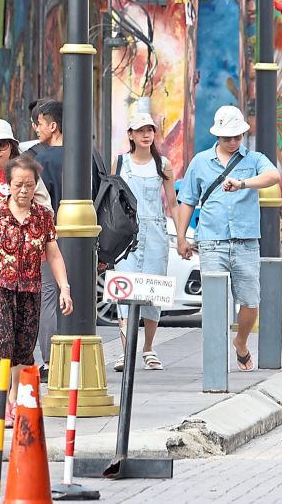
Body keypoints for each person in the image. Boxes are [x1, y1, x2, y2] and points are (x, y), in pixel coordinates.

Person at [175, 106, 281, 372]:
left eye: (237, 136)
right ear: (217, 137)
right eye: (227, 138)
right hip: (212, 241)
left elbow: (274, 176)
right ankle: (214, 360)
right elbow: (187, 201)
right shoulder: (200, 161)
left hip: (245, 240)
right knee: (214, 304)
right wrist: (181, 238)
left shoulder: (254, 159)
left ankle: (241, 342)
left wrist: (243, 183)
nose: (233, 142)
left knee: (250, 301)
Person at [0, 156, 71, 426]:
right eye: (18, 185)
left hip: (29, 286)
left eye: (29, 184)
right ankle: (4, 404)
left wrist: (64, 288)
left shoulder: (43, 216)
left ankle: (16, 400)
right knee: (2, 342)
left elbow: (54, 254)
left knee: (24, 348)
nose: (24, 190)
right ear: (8, 185)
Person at [26, 99, 101, 371]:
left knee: (48, 296)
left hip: (48, 238)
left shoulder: (35, 159)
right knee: (80, 293)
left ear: (53, 125)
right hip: (84, 238)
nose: (35, 129)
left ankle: (51, 361)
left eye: (39, 123)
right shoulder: (88, 154)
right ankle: (80, 358)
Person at [113, 112, 174, 373]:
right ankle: (126, 352)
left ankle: (148, 347)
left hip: (156, 232)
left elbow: (172, 202)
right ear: (131, 134)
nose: (146, 135)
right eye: (140, 130)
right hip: (126, 235)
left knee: (153, 291)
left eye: (149, 130)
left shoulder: (164, 164)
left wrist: (180, 236)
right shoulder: (120, 163)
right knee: (125, 291)